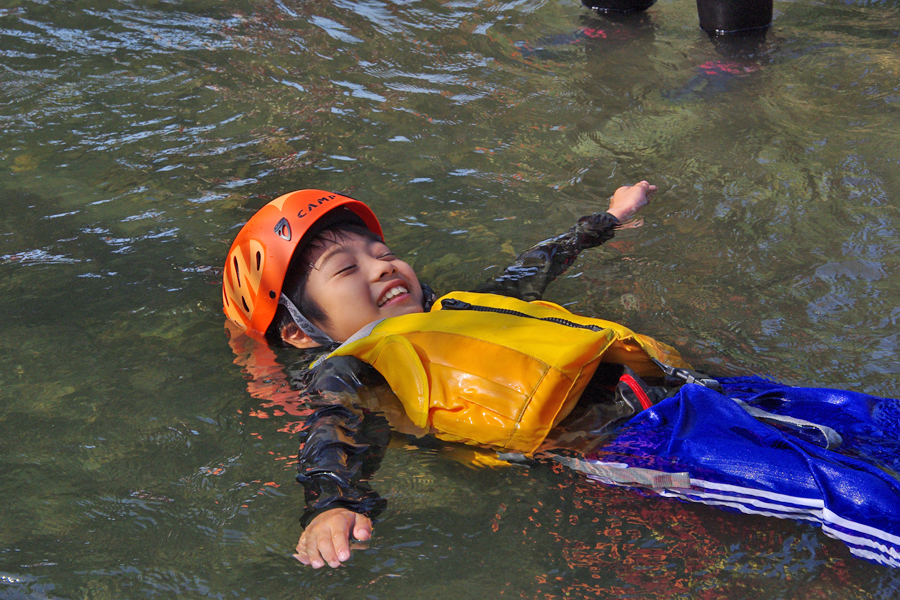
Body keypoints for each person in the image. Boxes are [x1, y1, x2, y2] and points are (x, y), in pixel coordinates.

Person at [223, 185, 900, 570]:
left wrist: (604, 221)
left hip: (683, 389)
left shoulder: (459, 307)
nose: (381, 266)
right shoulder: (353, 367)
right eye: (347, 270)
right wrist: (332, 504)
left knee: (864, 417)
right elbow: (332, 436)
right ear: (297, 331)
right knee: (839, 489)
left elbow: (534, 269)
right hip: (627, 444)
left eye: (382, 251)